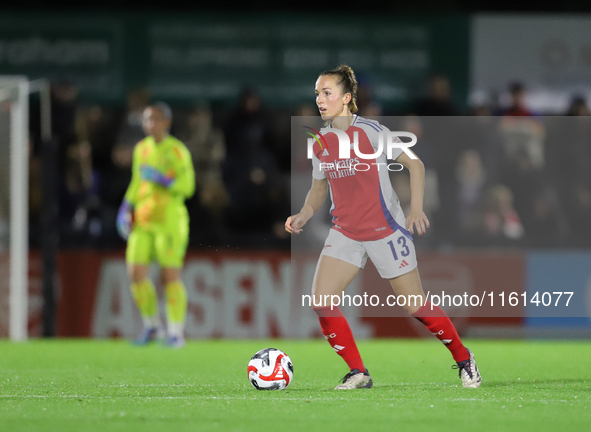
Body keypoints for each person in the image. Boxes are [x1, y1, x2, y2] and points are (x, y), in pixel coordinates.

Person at [285, 65, 481, 389]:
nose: (320, 100)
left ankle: (464, 358)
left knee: (415, 305)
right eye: (318, 93)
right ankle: (358, 372)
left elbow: (415, 165)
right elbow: (319, 189)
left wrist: (414, 208)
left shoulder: (372, 133)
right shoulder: (320, 141)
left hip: (385, 231)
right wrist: (304, 214)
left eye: (327, 93)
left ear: (347, 98)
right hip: (345, 232)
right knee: (321, 300)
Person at [116, 102, 195, 348]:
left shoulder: (177, 150)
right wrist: (125, 207)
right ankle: (152, 327)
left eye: (154, 119)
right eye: (146, 119)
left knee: (169, 277)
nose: (149, 124)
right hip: (143, 221)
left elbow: (188, 187)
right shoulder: (141, 149)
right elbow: (136, 182)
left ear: (166, 123)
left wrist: (164, 181)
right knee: (135, 274)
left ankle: (175, 333)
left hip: (169, 222)